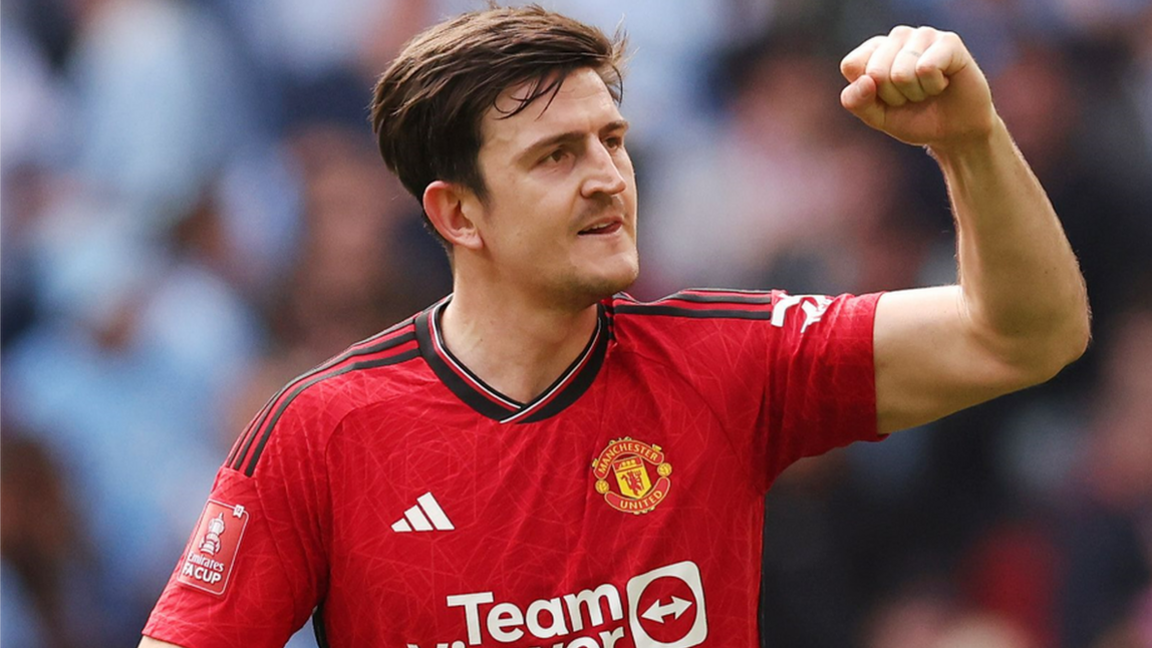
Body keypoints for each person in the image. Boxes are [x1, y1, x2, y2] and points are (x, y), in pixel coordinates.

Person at [139, 6, 1089, 647]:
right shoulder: (324, 431)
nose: (606, 176)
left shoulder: (731, 358)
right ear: (457, 214)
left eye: (613, 140)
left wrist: (971, 142)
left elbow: (1023, 336)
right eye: (556, 154)